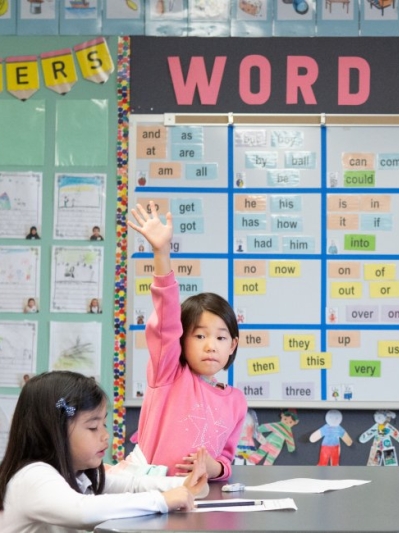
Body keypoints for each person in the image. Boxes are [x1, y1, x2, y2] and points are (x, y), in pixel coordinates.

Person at [0, 371, 209, 533]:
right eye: (93, 427)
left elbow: (131, 484)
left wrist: (183, 485)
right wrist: (162, 501)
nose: (105, 436)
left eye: (104, 425)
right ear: (53, 432)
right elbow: (81, 511)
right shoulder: (32, 476)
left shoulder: (78, 474)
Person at [127, 201, 247, 480]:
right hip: (152, 496)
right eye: (200, 335)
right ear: (181, 340)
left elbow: (226, 461)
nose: (210, 345)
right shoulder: (168, 374)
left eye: (220, 337)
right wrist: (161, 253)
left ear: (233, 345)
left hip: (200, 499)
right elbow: (166, 320)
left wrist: (213, 467)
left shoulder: (237, 402)